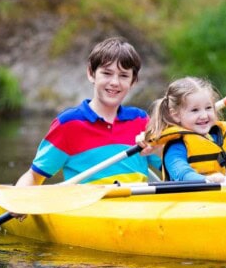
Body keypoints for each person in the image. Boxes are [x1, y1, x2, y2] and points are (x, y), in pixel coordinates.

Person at [15, 37, 161, 187]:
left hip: (138, 205)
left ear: (133, 81)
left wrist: (156, 149)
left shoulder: (141, 120)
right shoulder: (68, 124)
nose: (114, 82)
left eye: (123, 76)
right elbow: (34, 177)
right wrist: (17, 203)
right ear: (91, 74)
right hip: (88, 208)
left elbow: (171, 167)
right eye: (107, 73)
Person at [142, 77, 226, 182]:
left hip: (225, 194)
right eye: (195, 110)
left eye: (208, 108)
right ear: (176, 115)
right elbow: (182, 174)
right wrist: (206, 179)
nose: (203, 115)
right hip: (191, 197)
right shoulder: (176, 146)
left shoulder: (220, 137)